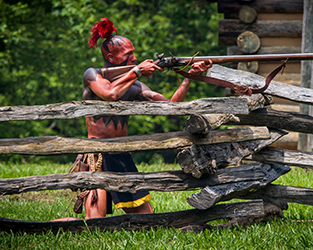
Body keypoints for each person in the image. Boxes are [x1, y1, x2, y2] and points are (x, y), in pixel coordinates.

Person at [53, 17, 212, 221]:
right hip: (97, 158)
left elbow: (172, 107)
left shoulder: (135, 86)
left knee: (148, 221)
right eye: (129, 55)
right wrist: (137, 72)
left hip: (121, 155)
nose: (135, 58)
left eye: (134, 53)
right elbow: (110, 93)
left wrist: (189, 76)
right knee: (93, 223)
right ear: (110, 56)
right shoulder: (92, 75)